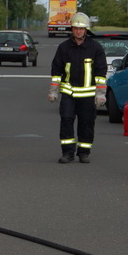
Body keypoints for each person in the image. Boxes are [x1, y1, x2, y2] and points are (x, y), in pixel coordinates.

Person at [48, 12, 107, 164]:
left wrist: (100, 94)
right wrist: (53, 91)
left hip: (88, 95)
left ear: (86, 30)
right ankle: (67, 153)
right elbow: (56, 70)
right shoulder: (64, 47)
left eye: (81, 29)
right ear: (72, 29)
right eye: (75, 28)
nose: (78, 31)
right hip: (69, 93)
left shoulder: (95, 48)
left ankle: (84, 152)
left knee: (86, 124)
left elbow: (101, 73)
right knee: (66, 121)